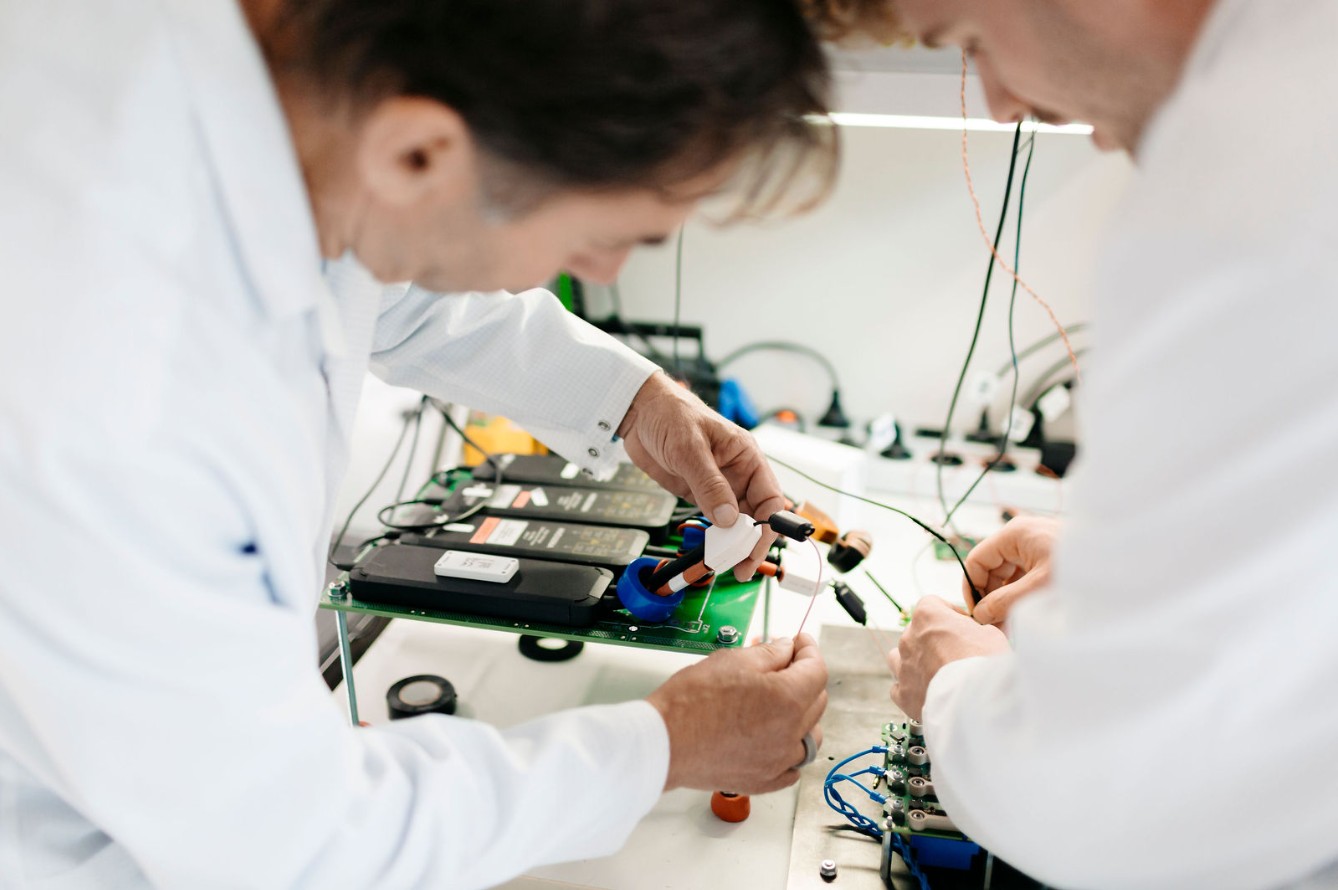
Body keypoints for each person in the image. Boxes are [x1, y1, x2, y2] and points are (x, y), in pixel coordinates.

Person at [0, 1, 835, 886]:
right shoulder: (107, 380)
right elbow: (289, 842)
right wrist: (663, 745)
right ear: (419, 154)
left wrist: (631, 398)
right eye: (604, 236)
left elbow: (395, 282)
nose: (603, 274)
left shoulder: (307, 103)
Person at [805, 0, 1338, 887]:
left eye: (971, 41)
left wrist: (954, 686)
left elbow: (1092, 804)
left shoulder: (1250, 185)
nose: (1002, 104)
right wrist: (1128, 564)